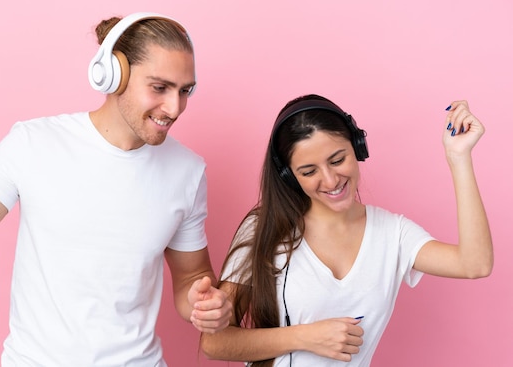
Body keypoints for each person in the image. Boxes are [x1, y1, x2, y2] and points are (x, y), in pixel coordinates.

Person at [0, 12, 232, 366]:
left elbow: (191, 276)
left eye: (185, 90)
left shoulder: (188, 172)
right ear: (113, 74)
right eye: (159, 87)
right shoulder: (33, 144)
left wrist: (207, 305)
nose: (174, 108)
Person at [200, 94, 493, 366]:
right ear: (290, 176)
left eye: (337, 160)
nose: (330, 180)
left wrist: (459, 157)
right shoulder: (263, 229)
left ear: (358, 147)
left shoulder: (392, 234)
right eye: (309, 171)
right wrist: (305, 337)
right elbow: (216, 342)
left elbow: (474, 264)